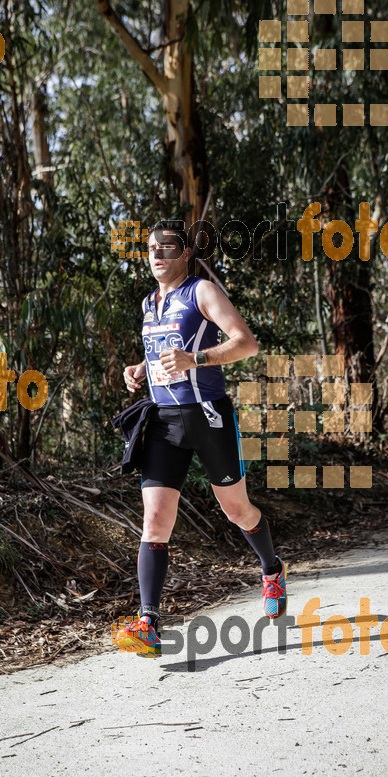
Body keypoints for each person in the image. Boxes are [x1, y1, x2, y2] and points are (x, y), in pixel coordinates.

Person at [116, 220, 287, 657]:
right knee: (155, 521)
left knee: (238, 511)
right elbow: (162, 351)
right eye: (151, 248)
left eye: (167, 248)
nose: (157, 255)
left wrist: (194, 359)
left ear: (186, 253)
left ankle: (271, 568)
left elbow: (246, 343)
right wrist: (140, 368)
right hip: (163, 423)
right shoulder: (148, 302)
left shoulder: (202, 291)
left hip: (208, 416)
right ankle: (148, 622)